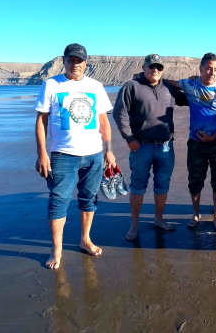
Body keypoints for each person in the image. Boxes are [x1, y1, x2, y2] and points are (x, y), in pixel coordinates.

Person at [35, 43, 116, 269]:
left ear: (86, 63)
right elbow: (41, 121)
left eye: (80, 60)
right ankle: (57, 251)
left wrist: (109, 150)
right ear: (64, 60)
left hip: (94, 154)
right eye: (71, 60)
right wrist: (42, 153)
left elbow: (103, 121)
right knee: (58, 201)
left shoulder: (96, 86)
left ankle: (85, 240)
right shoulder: (51, 84)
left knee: (89, 199)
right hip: (63, 155)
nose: (75, 64)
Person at [113, 54, 188, 240]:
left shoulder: (168, 87)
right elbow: (119, 114)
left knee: (162, 184)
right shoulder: (132, 86)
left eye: (159, 67)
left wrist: (187, 83)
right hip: (141, 147)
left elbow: (188, 100)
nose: (155, 70)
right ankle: (134, 225)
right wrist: (129, 138)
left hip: (166, 147)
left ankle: (159, 219)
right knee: (138, 186)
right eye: (152, 66)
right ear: (144, 67)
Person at [167, 53, 216, 230]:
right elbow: (168, 82)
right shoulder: (190, 85)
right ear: (201, 69)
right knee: (195, 181)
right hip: (196, 143)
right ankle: (196, 214)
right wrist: (142, 78)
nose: (212, 72)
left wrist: (213, 136)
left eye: (215, 69)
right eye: (208, 68)